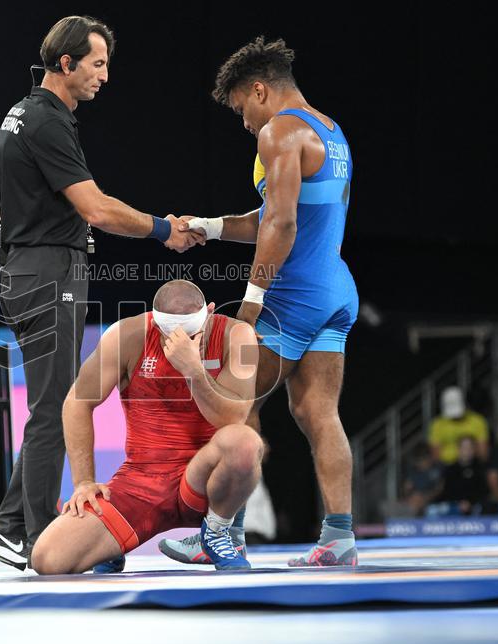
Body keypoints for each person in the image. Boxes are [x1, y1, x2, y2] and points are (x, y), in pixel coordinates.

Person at [0, 16, 200, 570]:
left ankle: (9, 526)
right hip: (46, 274)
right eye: (98, 64)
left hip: (27, 268)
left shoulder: (26, 112)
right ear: (66, 64)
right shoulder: (47, 122)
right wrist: (161, 228)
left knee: (48, 405)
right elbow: (97, 210)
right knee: (54, 406)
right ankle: (32, 537)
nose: (105, 76)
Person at [163, 36, 359, 567]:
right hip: (335, 290)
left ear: (259, 90)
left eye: (241, 110)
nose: (245, 124)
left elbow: (282, 222)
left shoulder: (278, 131)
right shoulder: (331, 131)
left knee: (233, 405)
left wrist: (252, 302)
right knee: (319, 412)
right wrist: (206, 226)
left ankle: (222, 534)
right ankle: (339, 540)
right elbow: (268, 218)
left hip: (290, 299)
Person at [29, 280, 263, 573]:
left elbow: (233, 419)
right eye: (170, 334)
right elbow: (77, 402)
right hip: (143, 482)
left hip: (205, 480)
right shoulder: (128, 334)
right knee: (47, 559)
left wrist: (193, 370)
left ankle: (214, 532)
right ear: (155, 321)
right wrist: (84, 482)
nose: (180, 340)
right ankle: (110, 546)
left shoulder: (236, 334)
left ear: (211, 312)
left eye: (191, 333)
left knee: (244, 442)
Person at [428, 386, 491, 464]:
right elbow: (435, 455)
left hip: (472, 464)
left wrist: (466, 457)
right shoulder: (437, 424)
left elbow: (483, 452)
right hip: (446, 466)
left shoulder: (478, 421)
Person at [437, 436, 489, 515]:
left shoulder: (480, 468)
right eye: (464, 447)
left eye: (470, 447)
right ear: (458, 449)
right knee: (437, 509)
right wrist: (458, 503)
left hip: (475, 506)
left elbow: (483, 491)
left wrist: (470, 503)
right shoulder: (450, 469)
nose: (467, 450)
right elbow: (447, 491)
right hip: (454, 505)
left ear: (474, 450)